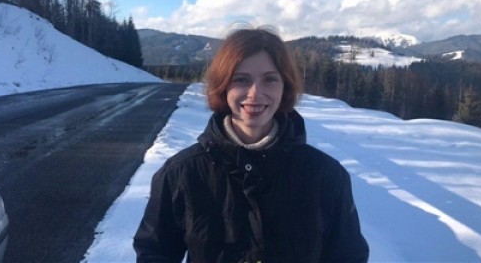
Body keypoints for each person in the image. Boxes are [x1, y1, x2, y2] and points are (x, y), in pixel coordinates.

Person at [134, 27, 369, 263]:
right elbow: (154, 254)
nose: (255, 93)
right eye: (241, 80)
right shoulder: (181, 174)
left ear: (285, 86)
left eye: (270, 79)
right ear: (223, 85)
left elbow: (348, 257)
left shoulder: (326, 176)